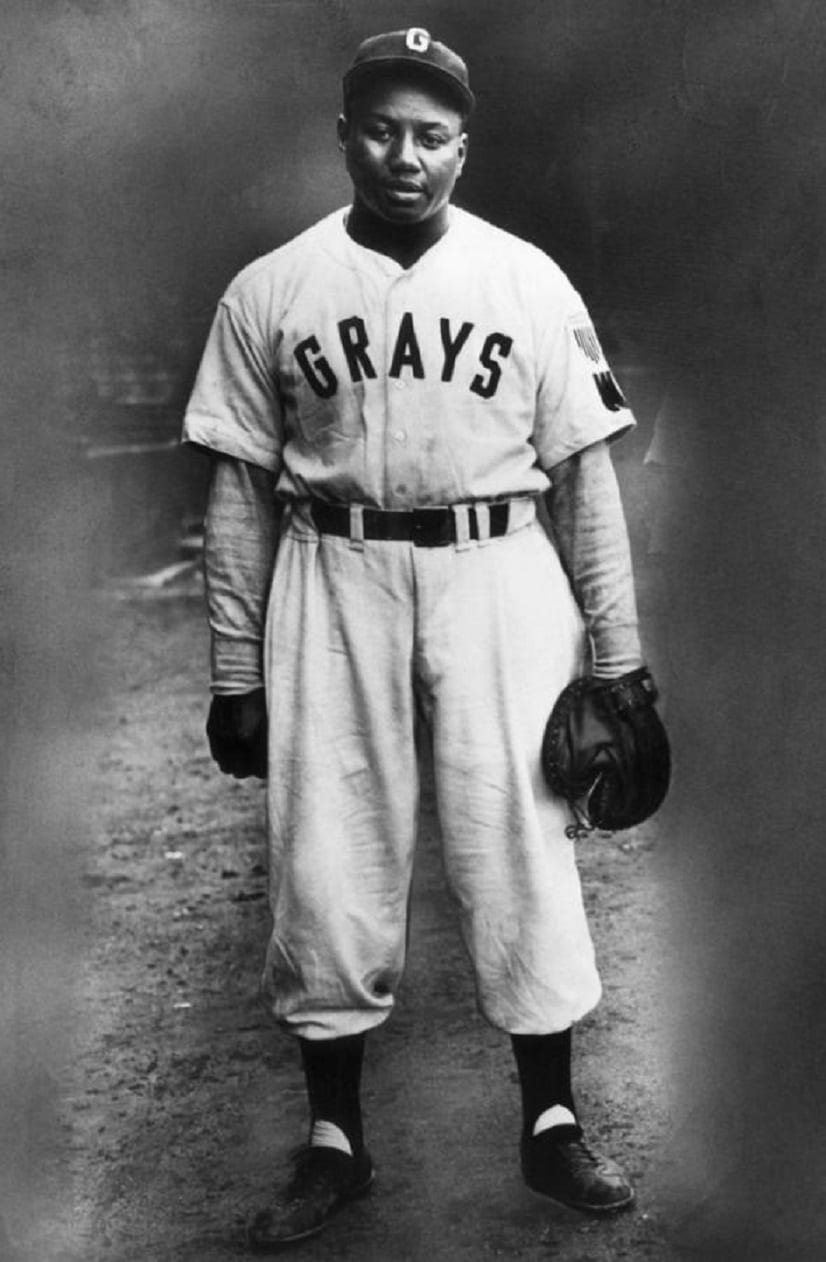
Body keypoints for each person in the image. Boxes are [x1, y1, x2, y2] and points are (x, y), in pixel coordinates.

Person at [183, 27, 651, 1251]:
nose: (406, 156)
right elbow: (236, 495)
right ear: (343, 135)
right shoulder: (271, 287)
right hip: (331, 573)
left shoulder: (528, 279)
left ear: (463, 144)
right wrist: (235, 671)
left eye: (432, 134)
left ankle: (551, 1122)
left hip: (500, 571)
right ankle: (335, 1142)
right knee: (325, 855)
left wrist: (619, 659)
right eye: (382, 130)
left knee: (521, 842)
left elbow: (584, 482)